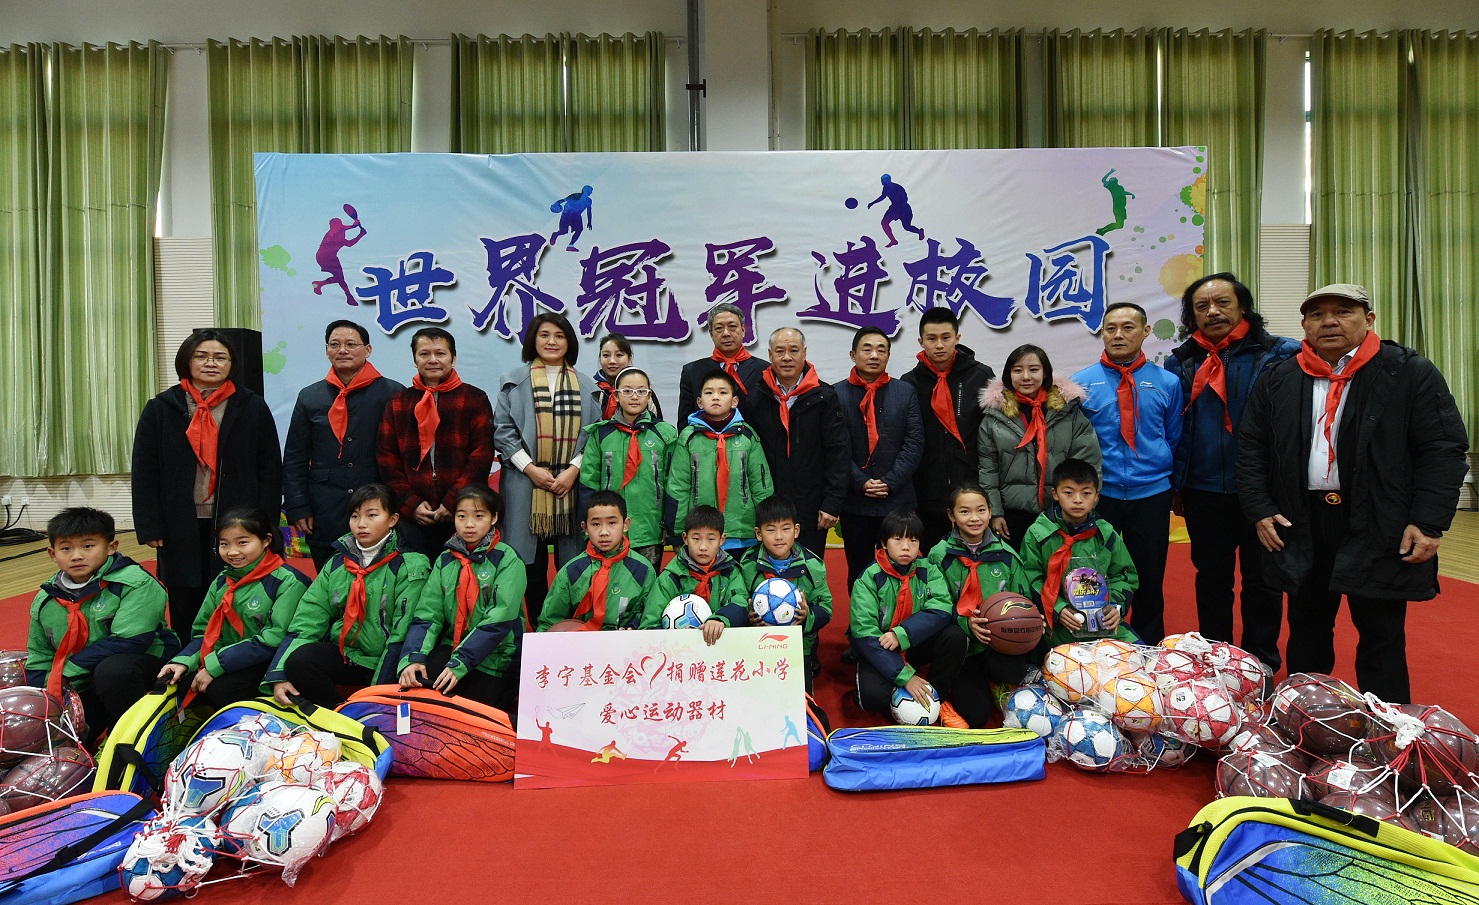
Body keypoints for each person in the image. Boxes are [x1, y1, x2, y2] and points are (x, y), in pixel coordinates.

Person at [1238, 284, 1469, 704]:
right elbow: (1251, 447)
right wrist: (1259, 508)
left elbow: (1443, 449)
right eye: (1317, 315)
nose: (1329, 321)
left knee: (1381, 632)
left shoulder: (1407, 372)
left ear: (1369, 319)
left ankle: (1389, 725)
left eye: (1343, 312)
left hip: (1379, 521)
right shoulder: (1281, 376)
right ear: (1304, 325)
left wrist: (1428, 521)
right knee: (1306, 627)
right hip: (1302, 520)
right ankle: (1304, 716)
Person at [1168, 273, 1299, 670]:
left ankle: (1260, 664)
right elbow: (1175, 429)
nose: (1213, 312)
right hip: (1203, 489)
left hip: (1264, 493)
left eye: (1222, 302)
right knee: (1211, 578)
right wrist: (1178, 486)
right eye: (1202, 306)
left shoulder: (1281, 354)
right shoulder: (1182, 361)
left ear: (1243, 307)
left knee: (1263, 581)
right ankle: (1216, 660)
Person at [133, 329, 283, 635]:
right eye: (201, 356)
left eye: (220, 357)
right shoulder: (161, 408)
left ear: (231, 364)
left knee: (236, 587)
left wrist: (265, 522)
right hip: (179, 518)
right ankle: (188, 652)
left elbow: (269, 468)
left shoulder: (251, 406)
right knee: (184, 592)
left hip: (237, 519)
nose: (210, 363)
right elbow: (145, 471)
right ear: (186, 361)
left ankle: (234, 650)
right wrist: (150, 525)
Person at [1072, 302, 1183, 643]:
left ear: (1146, 331)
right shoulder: (1080, 384)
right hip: (1099, 496)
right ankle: (1096, 644)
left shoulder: (1168, 382)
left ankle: (1147, 646)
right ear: (1102, 333)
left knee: (1149, 576)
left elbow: (1173, 436)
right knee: (1093, 574)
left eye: (1128, 327)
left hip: (1150, 494)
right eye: (1111, 328)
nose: (1118, 335)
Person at [265, 483, 430, 708]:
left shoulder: (410, 565)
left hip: (388, 659)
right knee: (299, 661)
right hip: (348, 655)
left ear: (392, 519)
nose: (361, 524)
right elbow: (308, 618)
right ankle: (337, 712)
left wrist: (376, 698)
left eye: (372, 515)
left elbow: (401, 635)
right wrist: (279, 675)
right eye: (355, 516)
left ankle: (363, 712)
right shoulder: (337, 562)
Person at [25, 508, 179, 744]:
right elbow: (40, 654)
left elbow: (131, 640)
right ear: (52, 554)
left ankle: (123, 741)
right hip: (81, 678)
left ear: (111, 547)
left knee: (114, 671)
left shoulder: (135, 582)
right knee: (63, 740)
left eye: (88, 546)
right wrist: (45, 700)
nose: (77, 556)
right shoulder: (46, 599)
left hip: (141, 666)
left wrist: (69, 672)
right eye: (66, 549)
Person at [494, 313, 602, 628]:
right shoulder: (513, 382)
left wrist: (573, 470)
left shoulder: (588, 386)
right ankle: (539, 629)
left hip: (571, 486)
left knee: (573, 564)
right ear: (533, 340)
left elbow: (595, 436)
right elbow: (503, 432)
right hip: (525, 485)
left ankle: (568, 629)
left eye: (559, 335)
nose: (551, 341)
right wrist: (530, 469)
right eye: (544, 335)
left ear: (570, 342)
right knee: (530, 565)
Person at [159, 506, 311, 711]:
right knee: (181, 682)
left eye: (242, 543)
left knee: (222, 689)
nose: (232, 552)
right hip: (229, 658)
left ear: (266, 540)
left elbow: (273, 639)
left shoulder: (288, 581)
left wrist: (214, 666)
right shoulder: (223, 580)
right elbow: (204, 632)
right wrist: (183, 661)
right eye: (224, 544)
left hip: (271, 661)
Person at [284, 320, 404, 570]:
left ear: (367, 350)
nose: (342, 350)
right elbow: (295, 457)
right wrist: (298, 506)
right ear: (327, 350)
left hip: (378, 504)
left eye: (351, 344)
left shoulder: (393, 393)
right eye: (334, 345)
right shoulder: (310, 396)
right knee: (330, 580)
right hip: (325, 507)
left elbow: (404, 456)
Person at [398, 485, 525, 713]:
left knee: (475, 716)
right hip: (454, 648)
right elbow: (428, 614)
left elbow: (498, 621)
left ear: (494, 518)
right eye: (461, 516)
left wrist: (461, 662)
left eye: (479, 516)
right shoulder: (445, 560)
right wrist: (414, 656)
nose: (469, 524)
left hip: (498, 656)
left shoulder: (508, 560)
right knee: (417, 683)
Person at [926, 485, 1041, 728]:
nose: (974, 518)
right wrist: (964, 622)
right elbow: (931, 605)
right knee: (977, 716)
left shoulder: (1006, 555)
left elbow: (1023, 600)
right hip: (963, 648)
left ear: (990, 511)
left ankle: (997, 681)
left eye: (980, 510)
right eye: (965, 511)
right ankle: (945, 691)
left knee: (1014, 670)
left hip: (997, 643)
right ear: (951, 515)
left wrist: (1030, 620)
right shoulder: (939, 556)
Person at [376, 326, 495, 558]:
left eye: (440, 353)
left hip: (464, 513)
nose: (432, 360)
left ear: (453, 358)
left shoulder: (474, 398)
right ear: (415, 360)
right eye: (424, 354)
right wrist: (410, 503)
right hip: (413, 516)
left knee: (460, 576)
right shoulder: (398, 402)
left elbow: (481, 456)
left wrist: (453, 501)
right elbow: (386, 459)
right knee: (415, 575)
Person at [849, 508, 968, 726]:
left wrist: (902, 634)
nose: (906, 547)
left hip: (914, 642)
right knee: (871, 699)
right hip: (881, 647)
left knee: (955, 636)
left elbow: (942, 607)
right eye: (898, 539)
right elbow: (864, 632)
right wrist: (906, 677)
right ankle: (900, 688)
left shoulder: (928, 569)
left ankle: (937, 697)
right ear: (884, 543)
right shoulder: (868, 578)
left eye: (913, 540)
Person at [977, 344, 1100, 548]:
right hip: (1013, 515)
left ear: (1045, 374)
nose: (1026, 377)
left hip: (1062, 512)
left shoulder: (1068, 413)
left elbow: (1089, 462)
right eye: (1018, 370)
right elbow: (988, 471)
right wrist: (995, 512)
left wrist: (1081, 507)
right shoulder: (993, 419)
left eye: (1034, 369)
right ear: (1008, 375)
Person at [834, 325, 924, 588]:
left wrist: (890, 481)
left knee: (902, 569)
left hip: (898, 500)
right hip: (855, 503)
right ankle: (862, 616)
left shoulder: (905, 391)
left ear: (888, 356)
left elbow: (914, 442)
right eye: (867, 349)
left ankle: (901, 614)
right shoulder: (835, 394)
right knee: (859, 572)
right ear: (853, 355)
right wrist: (860, 481)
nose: (874, 355)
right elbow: (836, 447)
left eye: (881, 350)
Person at [746, 327, 849, 556]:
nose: (787, 357)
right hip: (768, 507)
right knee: (767, 572)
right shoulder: (756, 398)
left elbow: (838, 452)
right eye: (779, 351)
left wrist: (832, 503)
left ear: (804, 353)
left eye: (793, 350)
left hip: (813, 508)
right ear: (770, 355)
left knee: (809, 571)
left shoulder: (824, 396)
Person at [901, 308, 996, 552]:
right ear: (921, 342)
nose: (939, 345)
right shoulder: (909, 383)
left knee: (974, 559)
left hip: (971, 490)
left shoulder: (981, 375)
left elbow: (994, 433)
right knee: (932, 560)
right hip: (927, 492)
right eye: (932, 339)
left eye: (946, 337)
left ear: (957, 338)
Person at [1020, 458, 1139, 647]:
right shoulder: (1038, 534)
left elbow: (1123, 575)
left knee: (1139, 657)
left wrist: (1115, 606)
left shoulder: (1106, 534)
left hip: (1102, 621)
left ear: (1097, 496)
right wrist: (1059, 608)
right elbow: (1030, 578)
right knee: (1065, 663)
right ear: (1055, 493)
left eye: (1086, 493)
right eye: (1068, 493)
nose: (1077, 500)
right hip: (1057, 624)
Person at [578, 367, 677, 567]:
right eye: (627, 391)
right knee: (610, 581)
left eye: (641, 391)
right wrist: (591, 524)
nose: (634, 396)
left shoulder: (665, 434)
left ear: (649, 395)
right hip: (608, 529)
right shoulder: (601, 434)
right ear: (616, 395)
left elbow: (673, 483)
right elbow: (588, 482)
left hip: (651, 527)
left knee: (647, 581)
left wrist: (671, 525)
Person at [669, 370, 774, 554]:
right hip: (701, 533)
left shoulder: (748, 436)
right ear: (700, 401)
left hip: (743, 533)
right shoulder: (688, 438)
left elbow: (761, 486)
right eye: (709, 392)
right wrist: (677, 532)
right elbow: (678, 486)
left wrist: (768, 527)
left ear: (734, 401)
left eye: (723, 392)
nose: (715, 397)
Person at [737, 495, 833, 691]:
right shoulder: (748, 564)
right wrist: (748, 618)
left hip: (798, 647)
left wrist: (807, 616)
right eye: (770, 530)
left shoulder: (813, 566)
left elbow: (826, 608)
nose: (779, 536)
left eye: (785, 529)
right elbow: (738, 599)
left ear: (796, 530)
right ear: (758, 533)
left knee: (800, 699)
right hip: (756, 645)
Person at [536, 490, 661, 631]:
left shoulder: (643, 570)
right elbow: (549, 621)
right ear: (585, 528)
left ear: (625, 524)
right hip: (581, 641)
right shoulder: (571, 571)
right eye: (596, 524)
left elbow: (649, 616)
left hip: (625, 642)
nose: (604, 532)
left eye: (612, 523)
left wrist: (632, 626)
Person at [652, 506, 750, 645]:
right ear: (685, 538)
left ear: (722, 539)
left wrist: (720, 619)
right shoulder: (670, 577)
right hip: (677, 649)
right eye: (696, 538)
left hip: (721, 646)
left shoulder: (731, 572)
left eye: (711, 539)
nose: (703, 547)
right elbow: (651, 620)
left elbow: (740, 601)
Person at [676, 302, 769, 424]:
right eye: (719, 328)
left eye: (732, 327)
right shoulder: (692, 371)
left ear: (743, 330)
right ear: (711, 334)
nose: (726, 333)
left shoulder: (764, 370)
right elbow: (685, 421)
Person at [591, 333, 663, 422]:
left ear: (629, 359)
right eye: (606, 355)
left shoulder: (643, 392)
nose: (612, 361)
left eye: (619, 355)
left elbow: (657, 425)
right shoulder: (594, 392)